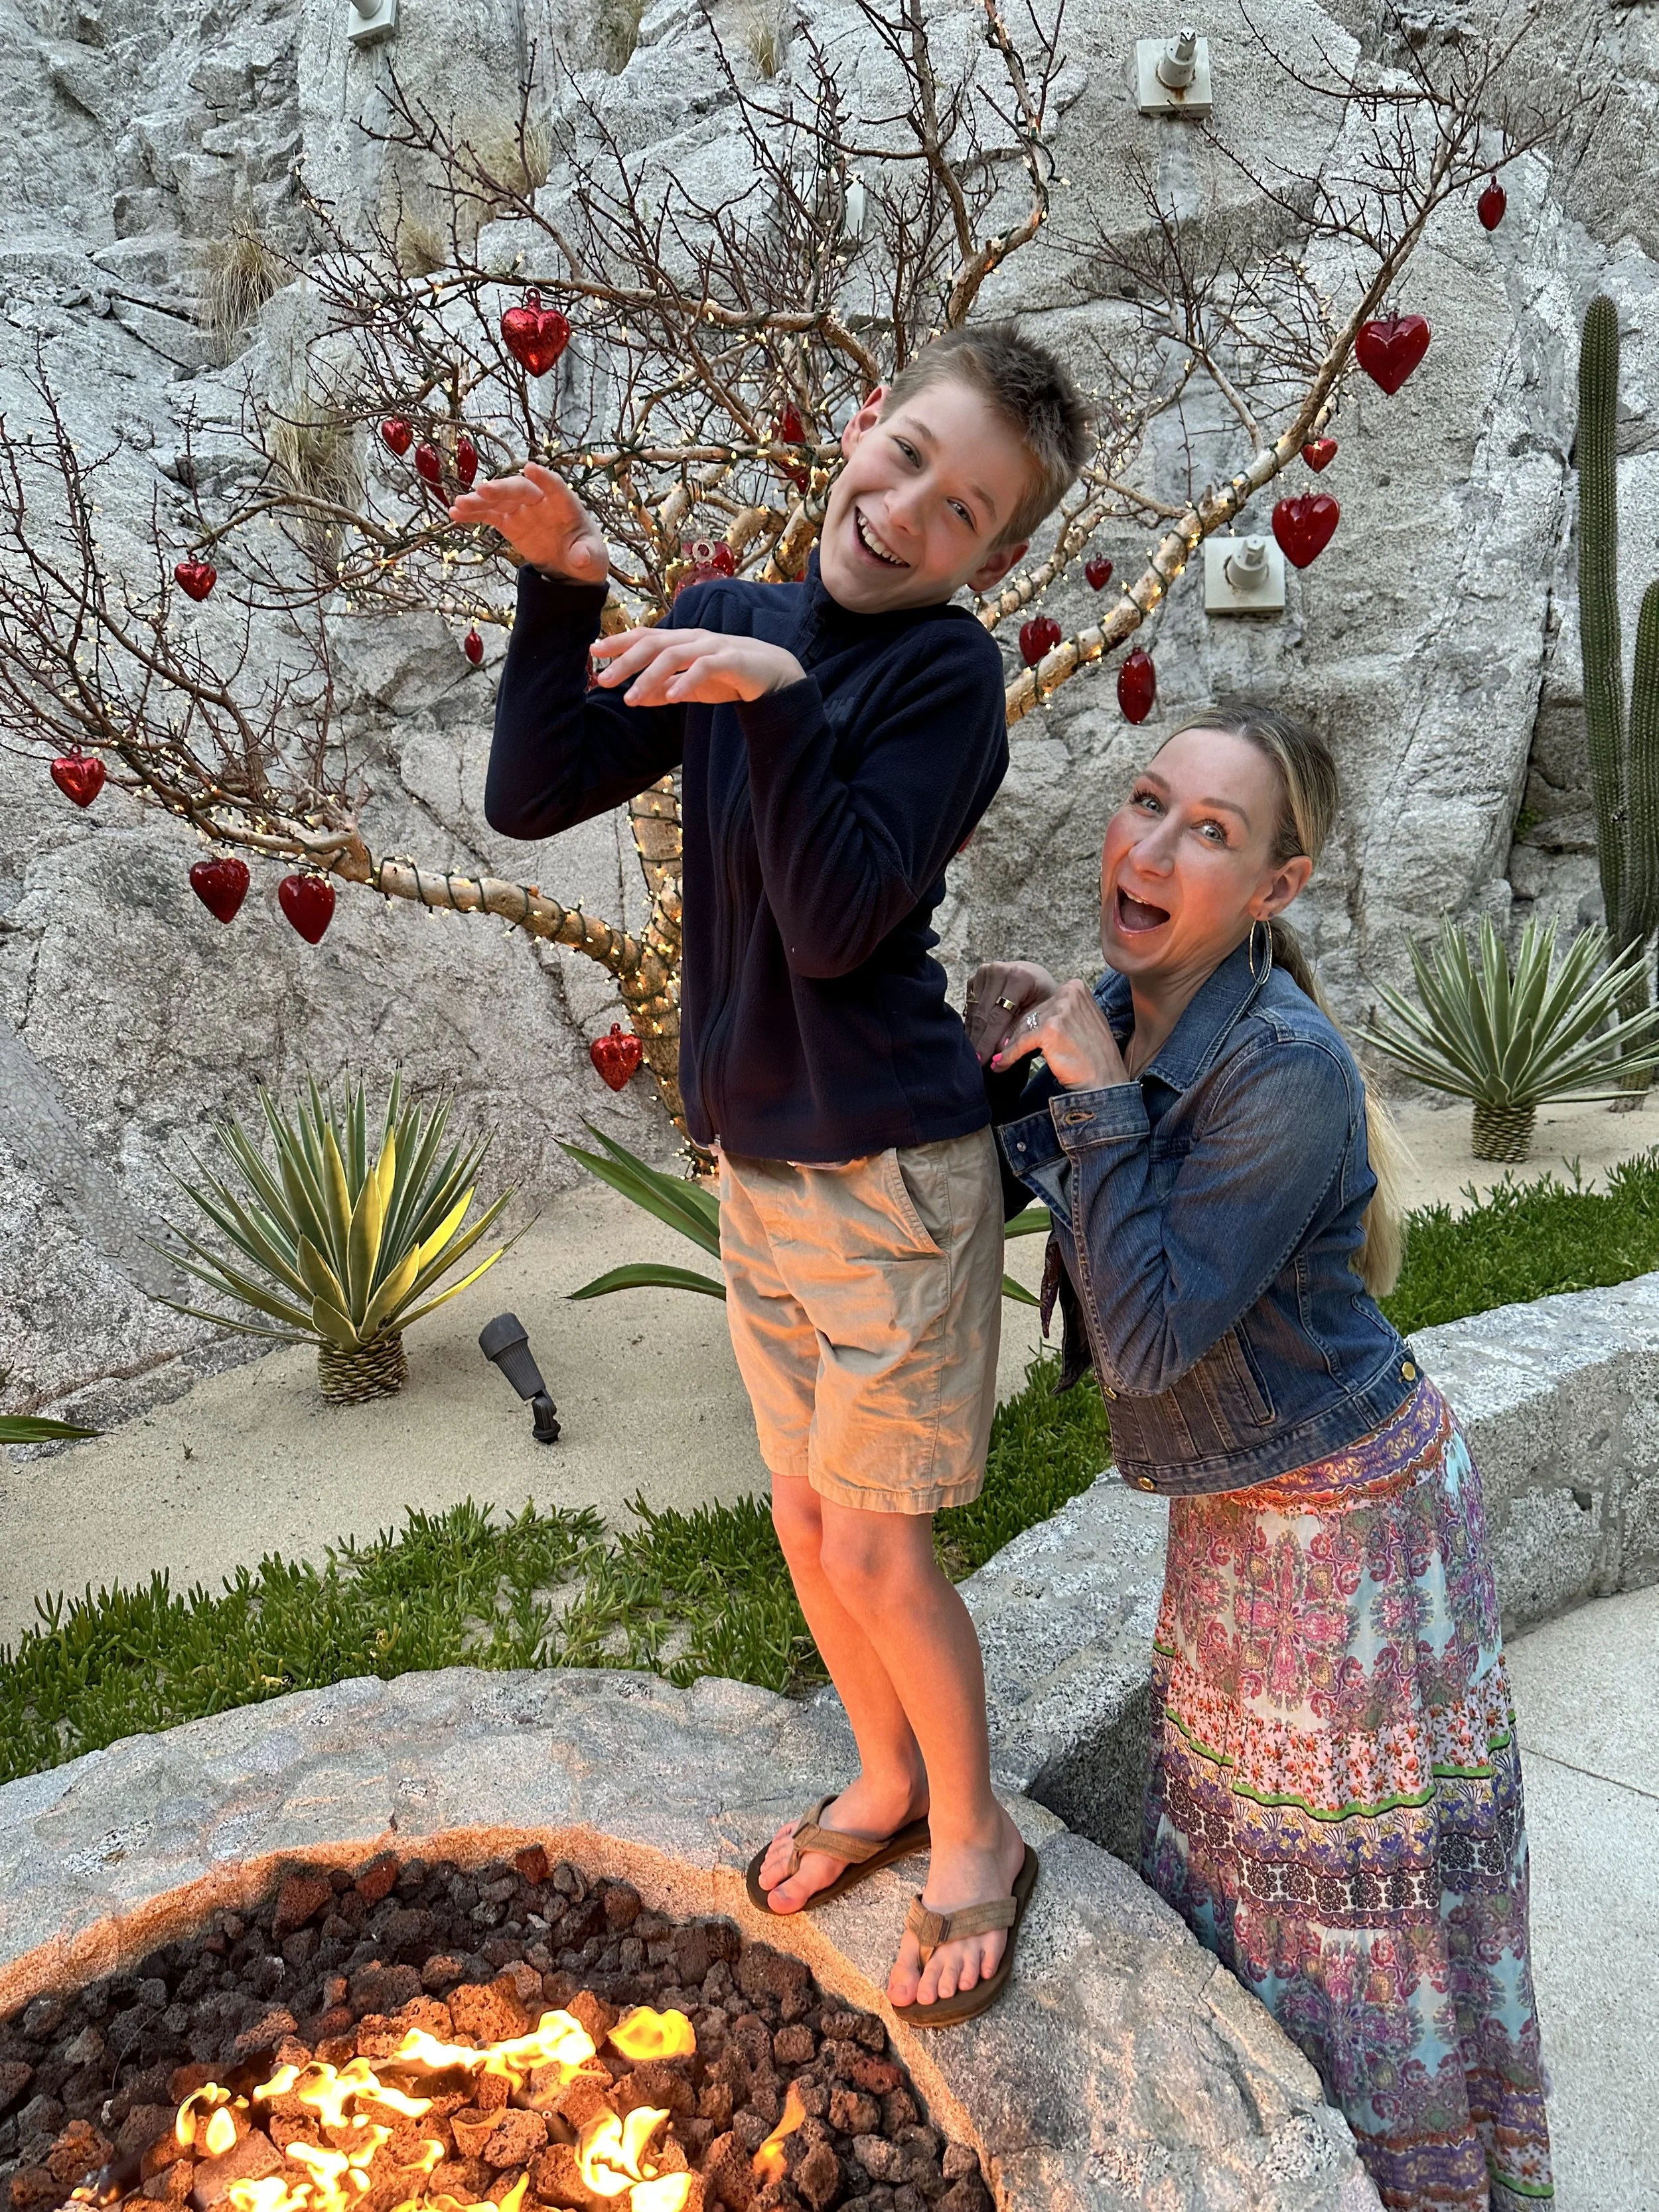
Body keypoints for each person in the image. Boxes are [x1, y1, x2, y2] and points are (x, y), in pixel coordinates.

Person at [454, 323, 1090, 2026]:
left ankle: (973, 1838)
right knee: (808, 1526)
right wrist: (565, 593)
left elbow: (830, 921)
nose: (903, 512)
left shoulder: (942, 682)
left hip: (892, 1178)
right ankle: (880, 1776)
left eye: (960, 511)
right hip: (758, 1171)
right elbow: (533, 794)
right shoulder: (733, 610)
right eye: (903, 459)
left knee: (884, 1553)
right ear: (866, 424)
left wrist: (785, 704)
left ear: (994, 557)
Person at [970, 704, 1551, 2211]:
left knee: (1355, 1915)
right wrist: (1025, 1067)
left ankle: (1398, 2182)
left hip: (1350, 1534)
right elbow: (1099, 1237)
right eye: (1145, 802)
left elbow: (1149, 1336)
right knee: (1250, 1874)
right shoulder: (1131, 998)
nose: (1149, 847)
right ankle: (1269, 2162)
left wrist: (1090, 1091)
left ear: (1273, 892)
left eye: (1207, 832)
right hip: (1243, 1517)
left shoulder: (1279, 1063)